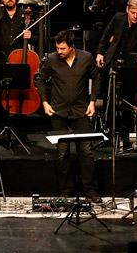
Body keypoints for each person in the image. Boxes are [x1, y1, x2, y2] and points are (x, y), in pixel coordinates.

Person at [35, 30, 102, 201]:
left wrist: (92, 101)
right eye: (57, 48)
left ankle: (90, 190)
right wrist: (45, 102)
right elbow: (40, 79)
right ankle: (65, 190)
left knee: (86, 151)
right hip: (59, 111)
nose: (59, 51)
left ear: (72, 47)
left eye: (63, 48)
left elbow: (97, 78)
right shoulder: (51, 59)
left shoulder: (86, 58)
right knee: (62, 152)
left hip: (81, 110)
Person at [96, 0, 137, 143]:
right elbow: (106, 34)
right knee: (109, 98)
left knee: (128, 101)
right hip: (113, 62)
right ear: (127, 9)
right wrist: (100, 52)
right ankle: (107, 133)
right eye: (133, 12)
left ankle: (126, 135)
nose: (135, 16)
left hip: (130, 67)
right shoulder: (118, 18)